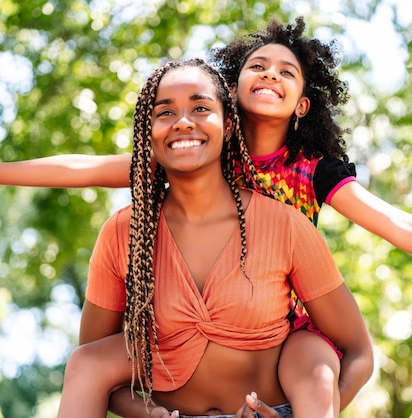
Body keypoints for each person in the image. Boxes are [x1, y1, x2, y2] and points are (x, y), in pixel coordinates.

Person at [0, 15, 412, 416]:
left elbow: (403, 228)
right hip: (191, 329)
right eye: (258, 65)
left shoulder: (313, 171)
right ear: (231, 92)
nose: (270, 74)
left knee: (317, 366)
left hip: (285, 327)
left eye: (287, 71)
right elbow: (81, 168)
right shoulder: (194, 156)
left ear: (302, 101)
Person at [57, 57, 373, 417]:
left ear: (228, 124)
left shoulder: (284, 226)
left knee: (315, 360)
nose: (183, 123)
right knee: (83, 362)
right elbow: (97, 365)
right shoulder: (123, 233)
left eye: (200, 108)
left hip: (276, 410)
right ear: (148, 133)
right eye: (165, 113)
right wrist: (146, 412)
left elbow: (358, 351)